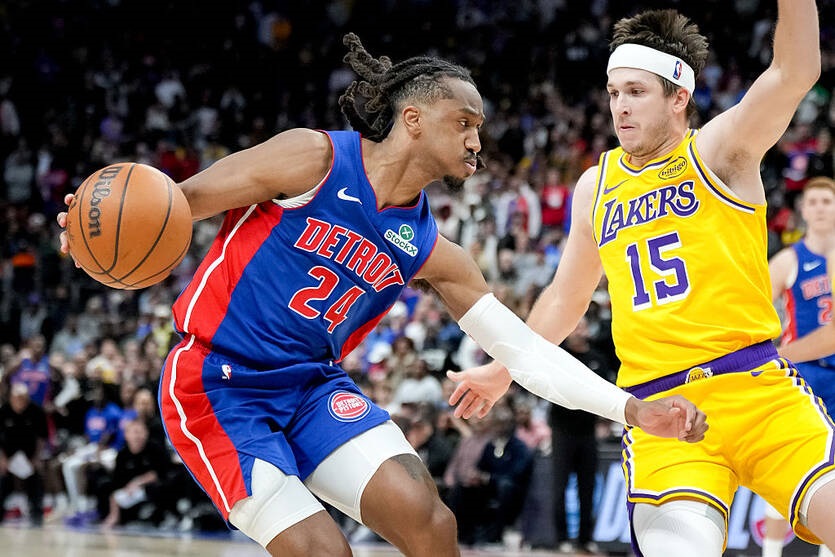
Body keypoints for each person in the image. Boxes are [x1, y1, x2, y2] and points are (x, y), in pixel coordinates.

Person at [57, 33, 707, 557]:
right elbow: (175, 204)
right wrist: (93, 228)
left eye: (479, 127)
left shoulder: (432, 249)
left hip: (311, 385)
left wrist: (630, 408)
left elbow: (526, 352)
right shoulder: (310, 159)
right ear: (413, 119)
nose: (477, 141)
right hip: (216, 385)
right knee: (323, 550)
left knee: (431, 522)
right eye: (464, 122)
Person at [446, 3, 835, 556]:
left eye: (636, 91)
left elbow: (795, 71)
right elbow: (565, 298)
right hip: (662, 412)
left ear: (678, 97)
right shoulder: (596, 185)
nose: (620, 107)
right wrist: (502, 369)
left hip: (756, 389)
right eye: (613, 93)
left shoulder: (718, 150)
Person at [763, 177, 835, 557]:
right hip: (802, 374)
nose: (821, 207)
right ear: (803, 210)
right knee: (788, 474)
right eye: (814, 201)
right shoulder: (789, 260)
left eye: (827, 201)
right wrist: (774, 355)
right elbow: (753, 310)